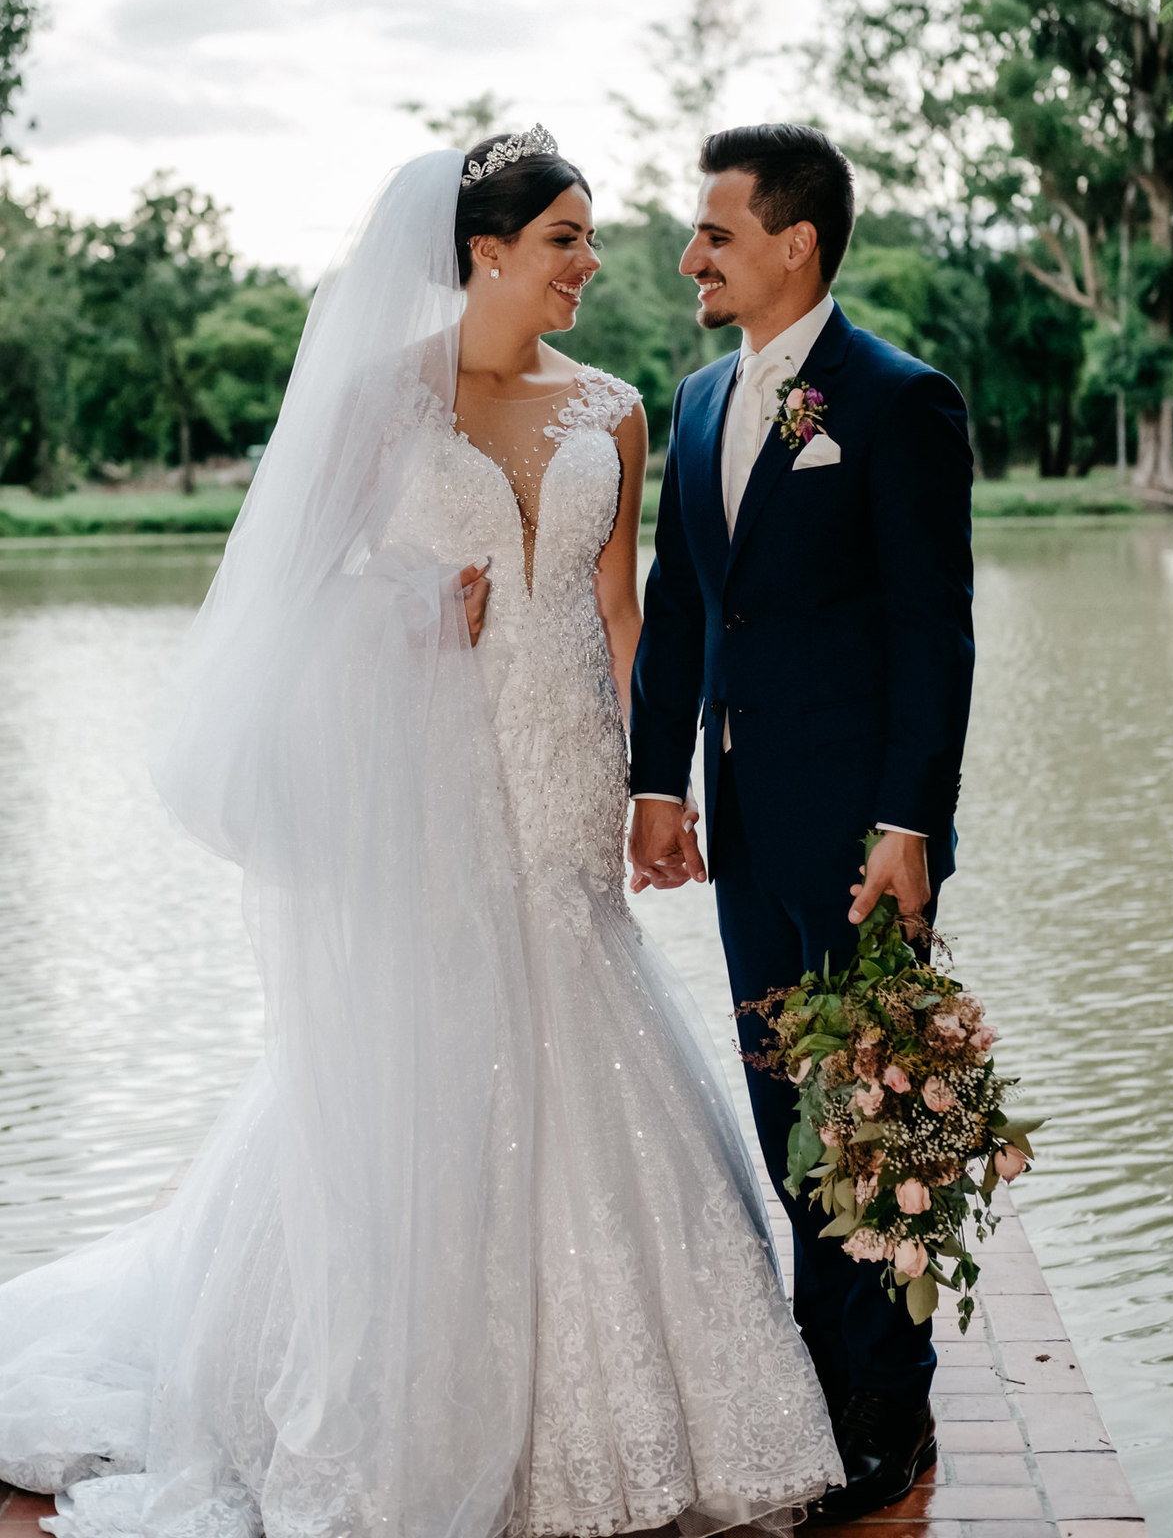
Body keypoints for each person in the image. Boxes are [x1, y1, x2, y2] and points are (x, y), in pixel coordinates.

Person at [0, 130, 840, 1538]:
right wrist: (400, 622)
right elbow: (286, 605)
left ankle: (639, 1420)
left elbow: (620, 612)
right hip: (433, 776)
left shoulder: (618, 411)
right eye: (565, 237)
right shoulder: (378, 403)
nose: (591, 263)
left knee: (581, 1028)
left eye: (589, 235)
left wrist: (656, 786)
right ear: (486, 250)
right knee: (430, 1052)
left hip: (568, 770)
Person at [628, 123, 974, 1525]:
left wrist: (910, 821)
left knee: (874, 1124)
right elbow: (683, 619)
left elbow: (933, 634)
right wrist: (658, 788)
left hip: (857, 839)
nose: (692, 253)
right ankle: (827, 1383)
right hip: (745, 834)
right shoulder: (704, 401)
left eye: (714, 231)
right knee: (790, 1120)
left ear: (794, 245)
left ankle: (889, 1410)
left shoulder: (896, 401)